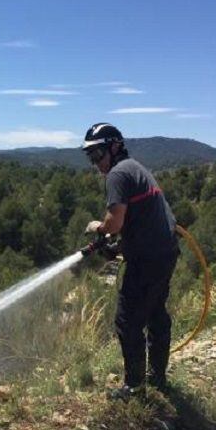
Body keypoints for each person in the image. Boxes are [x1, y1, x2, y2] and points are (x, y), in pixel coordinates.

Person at [82, 123, 179, 399]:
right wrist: (121, 247)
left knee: (127, 321)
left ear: (114, 147)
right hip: (164, 252)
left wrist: (98, 228)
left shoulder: (117, 174)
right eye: (90, 157)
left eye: (98, 154)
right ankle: (157, 377)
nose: (95, 163)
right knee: (156, 313)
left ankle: (134, 388)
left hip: (149, 259)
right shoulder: (135, 167)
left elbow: (114, 223)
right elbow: (141, 221)